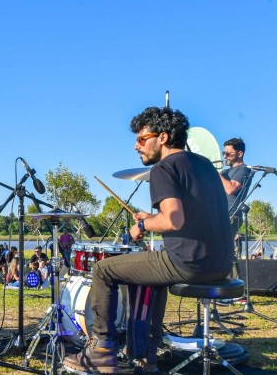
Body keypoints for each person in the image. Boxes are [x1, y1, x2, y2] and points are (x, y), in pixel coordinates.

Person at [64, 106, 234, 374]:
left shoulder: (164, 168)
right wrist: (152, 217)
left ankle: (102, 350)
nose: (136, 146)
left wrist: (142, 224)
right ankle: (146, 356)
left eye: (142, 139)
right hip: (222, 264)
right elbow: (188, 214)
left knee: (103, 270)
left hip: (190, 263)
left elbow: (172, 220)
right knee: (151, 276)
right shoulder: (203, 165)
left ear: (163, 137)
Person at [219, 137, 253, 253]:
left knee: (223, 250)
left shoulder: (244, 170)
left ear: (240, 153)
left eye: (228, 153)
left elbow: (231, 189)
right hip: (221, 213)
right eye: (224, 153)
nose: (225, 157)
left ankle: (231, 270)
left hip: (232, 214)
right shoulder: (225, 172)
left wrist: (216, 174)